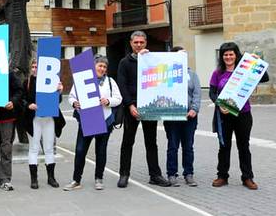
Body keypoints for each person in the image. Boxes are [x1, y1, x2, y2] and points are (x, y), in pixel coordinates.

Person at [209, 42, 268, 190]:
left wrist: (257, 61)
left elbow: (264, 78)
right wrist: (219, 104)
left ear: (236, 55)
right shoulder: (217, 73)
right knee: (224, 147)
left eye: (231, 54)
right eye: (225, 54)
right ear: (222, 57)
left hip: (243, 114)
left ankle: (247, 177)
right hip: (224, 115)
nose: (228, 57)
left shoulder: (246, 70)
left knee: (244, 146)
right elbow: (212, 92)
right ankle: (222, 176)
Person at [117, 31, 170, 188]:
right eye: (136, 42)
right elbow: (122, 85)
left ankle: (155, 175)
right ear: (131, 43)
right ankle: (124, 174)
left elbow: (165, 69)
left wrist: (180, 55)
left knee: (151, 142)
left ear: (146, 43)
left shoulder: (151, 60)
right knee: (127, 142)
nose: (139, 45)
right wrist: (130, 105)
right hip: (131, 108)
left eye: (141, 42)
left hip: (149, 107)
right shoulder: (124, 63)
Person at [64, 54, 122, 191]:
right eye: (100, 65)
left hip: (105, 120)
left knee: (101, 151)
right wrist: (74, 103)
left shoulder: (110, 82)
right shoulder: (83, 80)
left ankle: (98, 178)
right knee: (80, 150)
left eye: (104, 66)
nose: (102, 68)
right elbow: (71, 96)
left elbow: (118, 98)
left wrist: (108, 101)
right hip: (87, 119)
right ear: (93, 66)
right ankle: (76, 180)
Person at [162, 46, 201, 187]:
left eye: (185, 55)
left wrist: (194, 109)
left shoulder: (192, 74)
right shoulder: (166, 74)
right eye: (179, 55)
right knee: (172, 146)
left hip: (189, 117)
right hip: (172, 117)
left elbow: (197, 93)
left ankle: (188, 174)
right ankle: (172, 174)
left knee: (188, 146)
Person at [21, 59, 63, 189]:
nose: (35, 69)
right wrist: (29, 105)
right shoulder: (27, 82)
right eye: (33, 66)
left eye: (37, 66)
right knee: (34, 148)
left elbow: (58, 101)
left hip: (49, 118)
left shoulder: (50, 80)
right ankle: (34, 179)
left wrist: (59, 91)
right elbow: (21, 99)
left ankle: (51, 177)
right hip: (34, 119)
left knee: (49, 148)